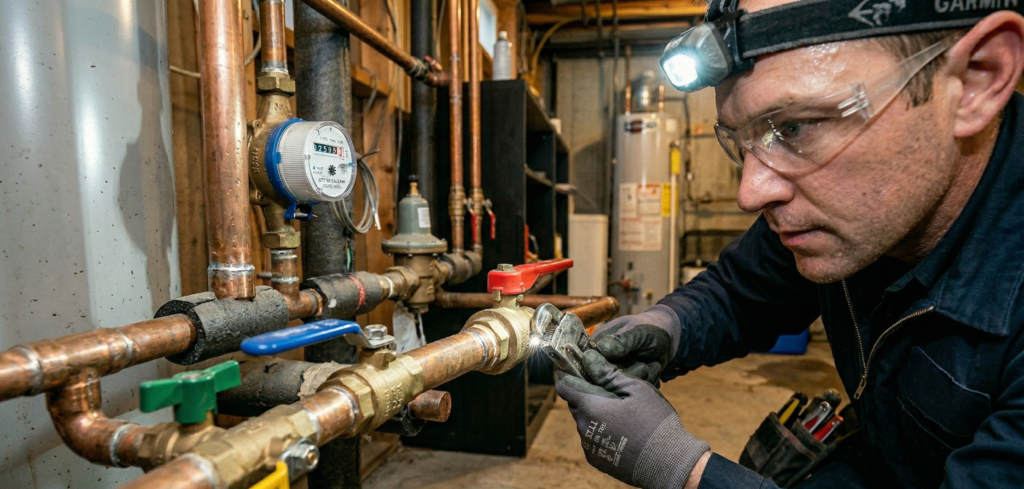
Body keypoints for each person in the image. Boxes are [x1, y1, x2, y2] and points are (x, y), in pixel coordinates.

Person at [554, 1, 1024, 488]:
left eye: (796, 127)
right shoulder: (848, 213)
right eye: (742, 140)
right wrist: (668, 328)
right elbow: (742, 290)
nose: (750, 193)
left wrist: (683, 469)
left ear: (975, 79)